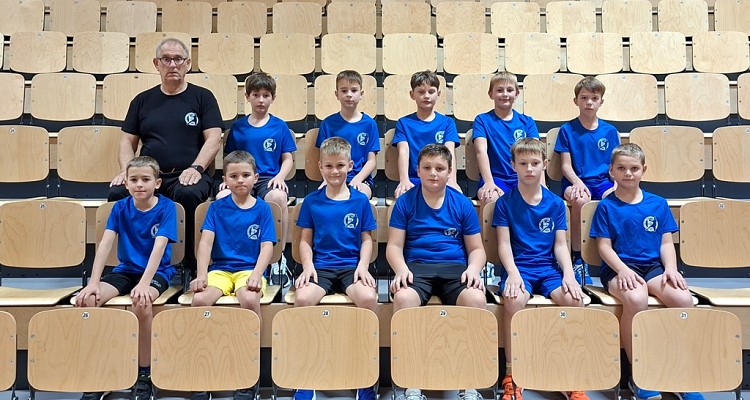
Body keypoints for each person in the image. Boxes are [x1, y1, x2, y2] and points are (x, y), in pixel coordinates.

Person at [589, 143, 703, 400]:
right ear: (611, 171)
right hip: (618, 269)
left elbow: (666, 243)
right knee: (636, 298)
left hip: (652, 267)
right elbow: (604, 247)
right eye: (621, 168)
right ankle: (638, 374)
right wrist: (623, 270)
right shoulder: (607, 206)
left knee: (683, 299)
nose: (628, 173)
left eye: (634, 168)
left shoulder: (658, 203)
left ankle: (679, 374)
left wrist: (671, 269)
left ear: (644, 170)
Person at [108, 37, 224, 274]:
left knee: (189, 194)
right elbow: (127, 141)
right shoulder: (142, 101)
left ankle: (189, 265)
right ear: (156, 64)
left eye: (178, 59)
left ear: (188, 63)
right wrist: (128, 173)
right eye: (166, 59)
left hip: (189, 173)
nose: (172, 65)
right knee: (118, 192)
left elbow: (214, 138)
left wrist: (197, 168)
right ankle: (130, 263)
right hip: (150, 176)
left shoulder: (203, 97)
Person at [387, 144, 487, 400]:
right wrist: (400, 269)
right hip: (417, 269)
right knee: (404, 299)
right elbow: (394, 246)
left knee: (476, 300)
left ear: (450, 171)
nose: (433, 173)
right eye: (427, 168)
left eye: (440, 168)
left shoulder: (462, 204)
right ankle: (412, 384)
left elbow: (477, 249)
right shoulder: (405, 202)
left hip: (455, 270)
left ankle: (469, 385)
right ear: (418, 170)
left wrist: (474, 269)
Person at [76, 156, 179, 400]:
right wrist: (93, 282)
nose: (139, 184)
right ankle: (100, 373)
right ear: (126, 183)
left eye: (145, 179)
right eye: (134, 180)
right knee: (88, 300)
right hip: (125, 271)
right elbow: (105, 245)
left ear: (157, 183)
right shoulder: (120, 208)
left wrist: (144, 283)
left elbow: (159, 248)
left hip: (157, 272)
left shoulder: (167, 208)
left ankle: (145, 373)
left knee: (142, 302)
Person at [492, 138, 586, 400]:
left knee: (574, 300)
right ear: (513, 165)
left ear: (544, 164)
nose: (529, 169)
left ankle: (571, 376)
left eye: (535, 163)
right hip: (519, 268)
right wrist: (512, 273)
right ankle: (512, 374)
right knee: (513, 300)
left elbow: (560, 245)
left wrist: (569, 274)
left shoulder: (555, 204)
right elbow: (503, 245)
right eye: (523, 163)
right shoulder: (505, 203)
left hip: (548, 269)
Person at [293, 137, 378, 400]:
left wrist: (363, 266)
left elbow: (367, 240)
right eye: (328, 166)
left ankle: (365, 376)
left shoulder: (360, 201)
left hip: (351, 268)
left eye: (340, 165)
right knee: (303, 299)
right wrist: (307, 266)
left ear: (350, 166)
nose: (334, 171)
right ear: (320, 167)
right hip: (321, 268)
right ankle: (304, 377)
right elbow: (305, 241)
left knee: (368, 298)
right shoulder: (311, 201)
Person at [189, 150, 277, 400]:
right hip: (220, 270)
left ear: (255, 178)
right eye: (234, 176)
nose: (240, 180)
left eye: (246, 175)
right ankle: (202, 367)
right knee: (200, 300)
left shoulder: (263, 209)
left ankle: (250, 370)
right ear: (225, 180)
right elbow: (205, 243)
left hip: (249, 270)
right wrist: (202, 274)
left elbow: (267, 247)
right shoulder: (216, 208)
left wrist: (257, 274)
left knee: (249, 298)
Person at [222, 71, 297, 285]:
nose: (261, 100)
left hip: (267, 178)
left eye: (266, 95)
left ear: (273, 98)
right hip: (242, 178)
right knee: (222, 198)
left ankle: (278, 257)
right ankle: (231, 257)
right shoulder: (238, 127)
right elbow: (230, 160)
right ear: (247, 97)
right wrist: (227, 180)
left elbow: (288, 159)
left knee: (278, 197)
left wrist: (280, 176)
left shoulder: (279, 126)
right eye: (256, 95)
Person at [554, 76, 620, 284]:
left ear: (601, 101)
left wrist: (616, 185)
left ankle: (615, 257)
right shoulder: (567, 130)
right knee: (580, 200)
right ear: (576, 101)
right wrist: (577, 182)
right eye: (584, 98)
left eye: (594, 98)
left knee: (615, 200)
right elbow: (565, 166)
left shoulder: (610, 131)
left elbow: (616, 164)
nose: (589, 102)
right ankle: (578, 258)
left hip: (603, 182)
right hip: (575, 181)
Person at [472, 72, 540, 207]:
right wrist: (489, 182)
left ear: (517, 94)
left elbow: (537, 155)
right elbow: (481, 151)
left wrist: (541, 184)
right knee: (490, 198)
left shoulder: (527, 122)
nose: (505, 94)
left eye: (509, 90)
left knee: (538, 199)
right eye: (499, 90)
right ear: (490, 94)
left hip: (523, 178)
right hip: (496, 179)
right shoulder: (482, 120)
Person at [393, 71, 461, 198]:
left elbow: (450, 152)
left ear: (438, 94)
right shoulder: (403, 123)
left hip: (440, 178)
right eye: (421, 92)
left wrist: (452, 180)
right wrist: (404, 180)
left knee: (456, 197)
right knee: (402, 196)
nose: (426, 96)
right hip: (415, 179)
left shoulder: (447, 123)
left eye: (431, 91)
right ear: (412, 94)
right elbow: (403, 151)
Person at [315, 70, 380, 199]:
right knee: (320, 199)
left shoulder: (369, 124)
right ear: (337, 94)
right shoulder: (328, 124)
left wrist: (357, 179)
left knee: (359, 197)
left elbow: (371, 161)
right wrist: (326, 180)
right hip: (332, 177)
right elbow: (323, 160)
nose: (349, 95)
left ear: (361, 94)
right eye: (344, 91)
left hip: (361, 179)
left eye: (354, 90)